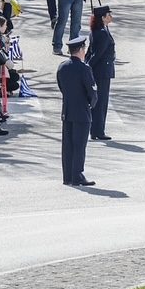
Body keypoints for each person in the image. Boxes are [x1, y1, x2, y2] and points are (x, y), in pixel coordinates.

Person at [56, 34, 96, 187]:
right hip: (81, 111)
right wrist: (91, 104)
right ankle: (77, 175)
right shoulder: (84, 68)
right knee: (79, 145)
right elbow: (92, 92)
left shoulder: (62, 67)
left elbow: (61, 86)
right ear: (80, 50)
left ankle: (68, 176)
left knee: (68, 145)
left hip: (67, 110)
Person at [86, 9, 116, 140]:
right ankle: (98, 131)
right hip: (102, 72)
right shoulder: (102, 33)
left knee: (98, 101)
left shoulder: (100, 30)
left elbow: (90, 52)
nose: (111, 17)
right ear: (103, 18)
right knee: (101, 102)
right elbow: (97, 54)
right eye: (108, 15)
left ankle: (95, 130)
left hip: (101, 70)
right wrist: (87, 67)